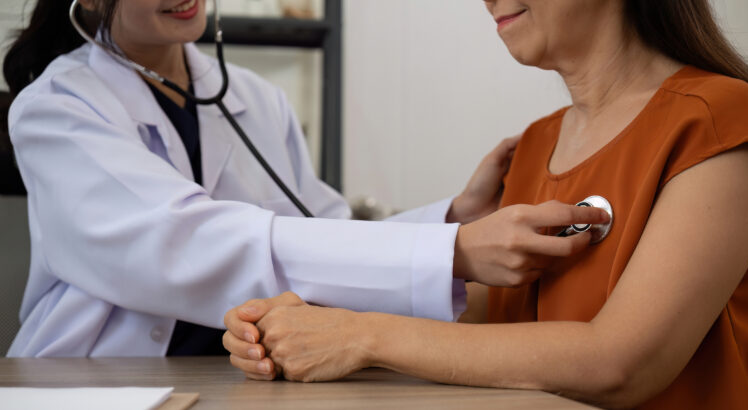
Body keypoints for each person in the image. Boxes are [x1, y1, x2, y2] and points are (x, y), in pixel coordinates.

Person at [223, 0, 748, 408]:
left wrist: (360, 336)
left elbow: (622, 363)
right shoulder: (534, 145)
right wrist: (306, 326)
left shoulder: (716, 120)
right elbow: (479, 320)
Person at [3, 0, 607, 357]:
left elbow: (325, 237)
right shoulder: (59, 107)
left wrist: (453, 216)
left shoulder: (256, 99)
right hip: (95, 374)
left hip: (241, 374)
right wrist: (452, 253)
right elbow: (181, 242)